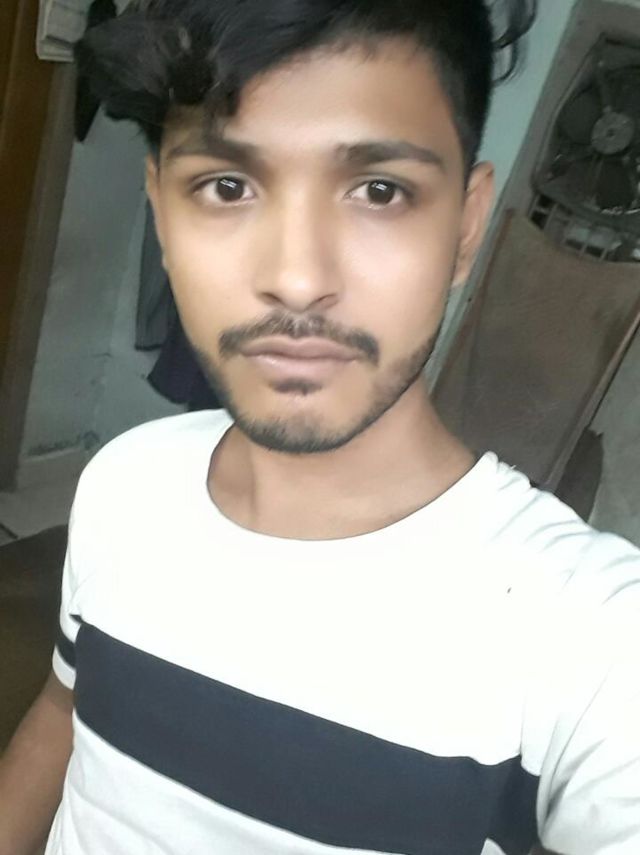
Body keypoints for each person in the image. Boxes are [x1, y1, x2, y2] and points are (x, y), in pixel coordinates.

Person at [1, 1, 639, 853]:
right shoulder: (125, 479)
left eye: (380, 190)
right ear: (161, 213)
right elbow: (62, 714)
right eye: (226, 187)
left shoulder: (593, 643)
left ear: (465, 227)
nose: (298, 279)